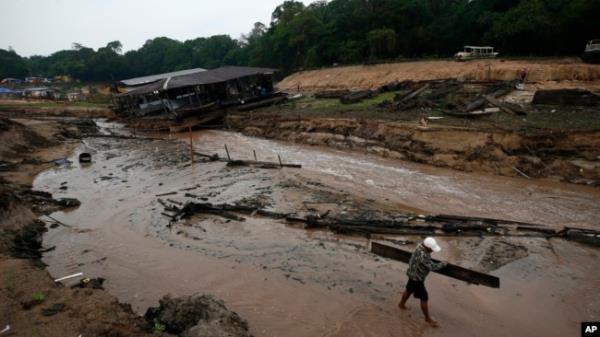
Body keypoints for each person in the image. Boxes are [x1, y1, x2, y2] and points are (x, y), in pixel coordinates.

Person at [398, 237, 446, 327]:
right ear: (427, 247)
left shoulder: (419, 246)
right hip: (417, 278)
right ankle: (427, 318)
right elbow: (433, 267)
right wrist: (443, 264)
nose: (432, 251)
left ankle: (401, 304)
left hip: (412, 274)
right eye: (431, 249)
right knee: (424, 297)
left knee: (409, 289)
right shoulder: (423, 255)